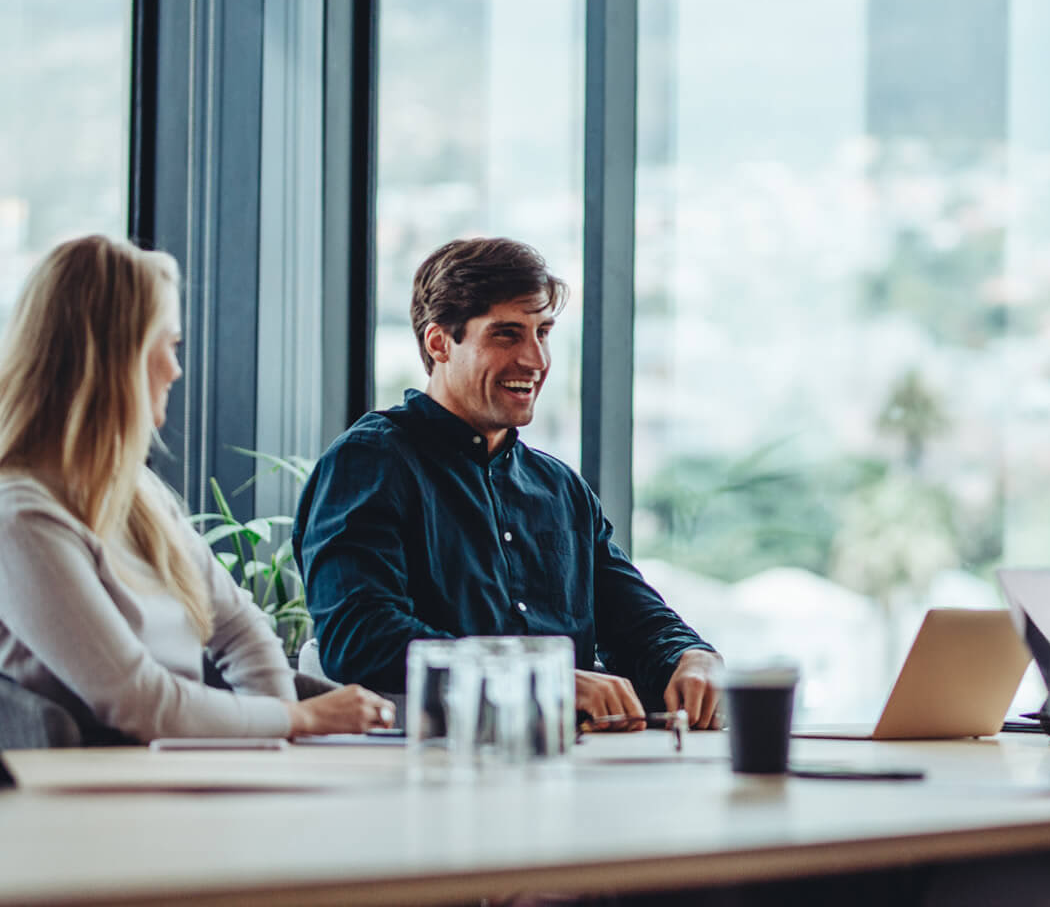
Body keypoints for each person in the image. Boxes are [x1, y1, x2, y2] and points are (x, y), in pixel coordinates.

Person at [294, 238, 723, 727]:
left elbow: (636, 620)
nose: (535, 360)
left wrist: (691, 656)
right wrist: (538, 677)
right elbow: (361, 638)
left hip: (571, 767)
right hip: (423, 770)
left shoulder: (560, 488)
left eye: (543, 333)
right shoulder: (370, 462)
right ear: (439, 343)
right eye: (506, 335)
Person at [0, 235, 393, 742]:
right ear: (118, 359)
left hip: (171, 774)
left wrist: (277, 740)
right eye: (170, 345)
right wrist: (299, 718)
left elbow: (238, 627)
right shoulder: (22, 519)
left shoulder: (136, 492)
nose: (177, 369)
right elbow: (139, 702)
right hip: (92, 795)